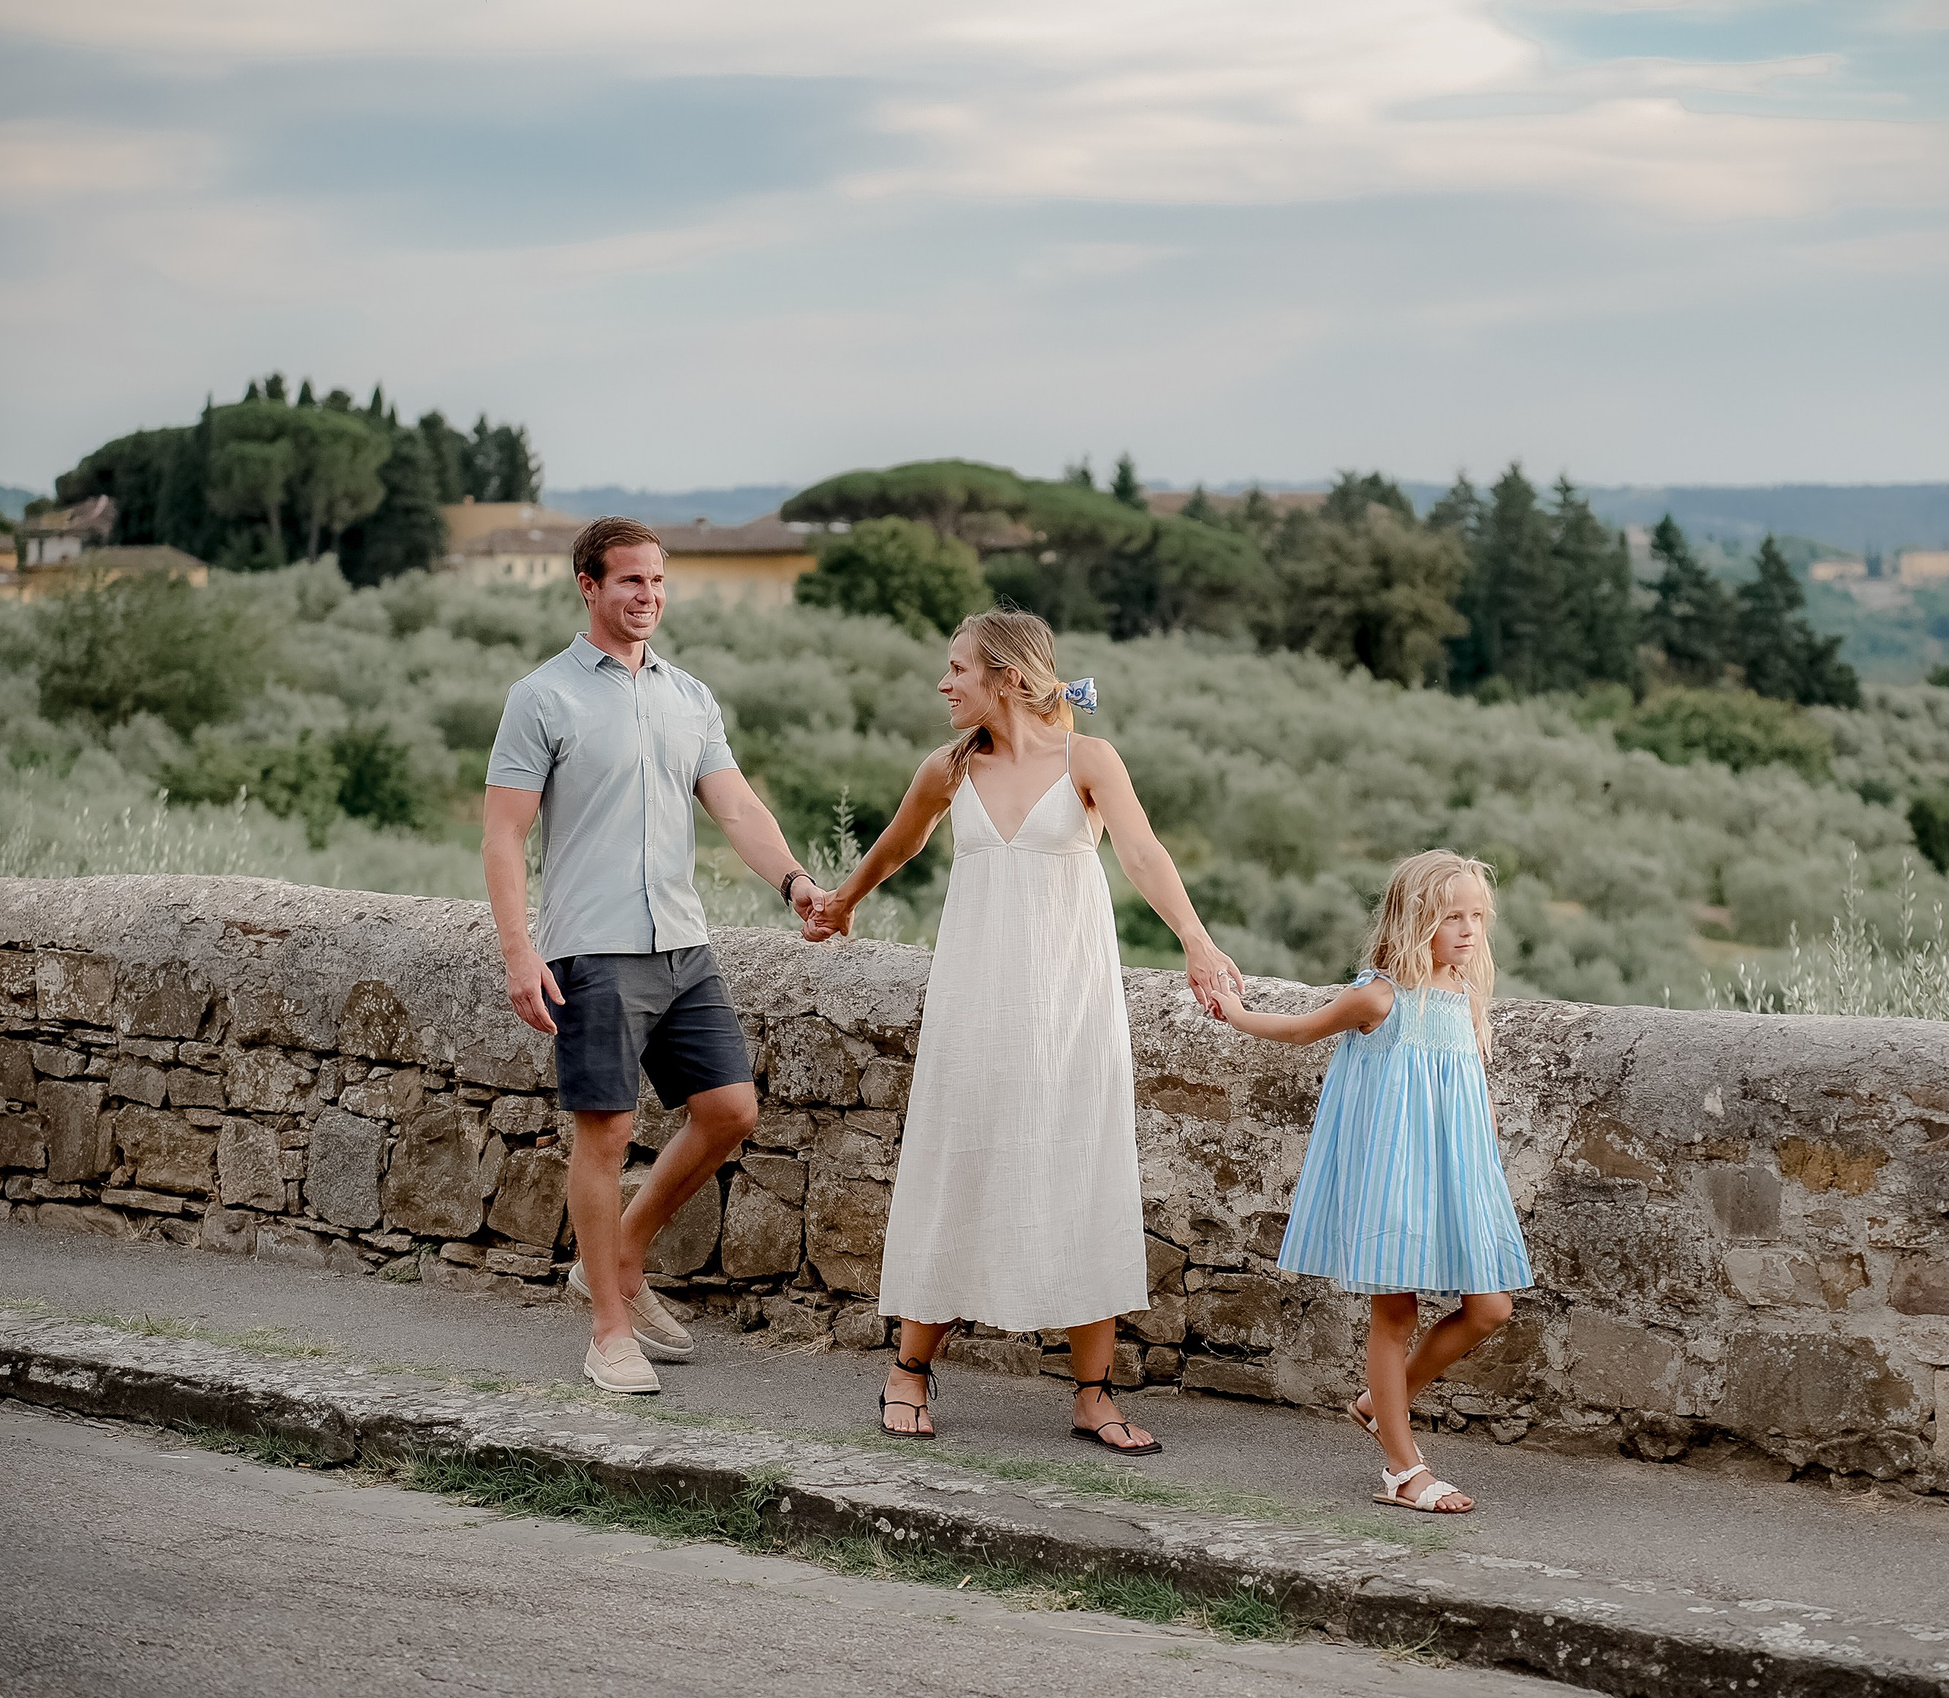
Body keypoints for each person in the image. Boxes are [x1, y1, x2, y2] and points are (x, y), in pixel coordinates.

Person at [811, 610, 1240, 1453]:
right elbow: (897, 847)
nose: (943, 683)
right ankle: (909, 1371)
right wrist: (843, 902)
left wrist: (1196, 939)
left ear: (1006, 676)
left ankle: (1093, 1392)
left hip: (1069, 1007)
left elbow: (1145, 854)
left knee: (1084, 1173)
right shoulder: (947, 768)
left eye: (956, 668)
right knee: (955, 1164)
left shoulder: (1089, 759)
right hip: (974, 1003)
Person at [483, 515, 831, 1396]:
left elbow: (738, 807)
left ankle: (621, 1257)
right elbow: (503, 833)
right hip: (590, 950)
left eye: (659, 582)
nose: (649, 597)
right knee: (603, 1137)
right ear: (588, 586)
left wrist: (794, 883)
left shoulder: (689, 696)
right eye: (631, 582)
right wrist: (520, 953)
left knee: (730, 1110)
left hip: (682, 942)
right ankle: (608, 1329)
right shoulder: (543, 697)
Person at [1209, 850, 1532, 1515]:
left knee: (1491, 1306)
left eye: (1478, 916)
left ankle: (1378, 1407)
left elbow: (1472, 1090)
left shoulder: (1464, 996)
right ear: (1415, 920)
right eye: (1452, 916)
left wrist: (1485, 1166)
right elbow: (1300, 1029)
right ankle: (1402, 1466)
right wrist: (1235, 1012)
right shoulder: (1380, 997)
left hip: (1455, 1174)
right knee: (1396, 1313)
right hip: (1393, 1174)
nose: (1469, 930)